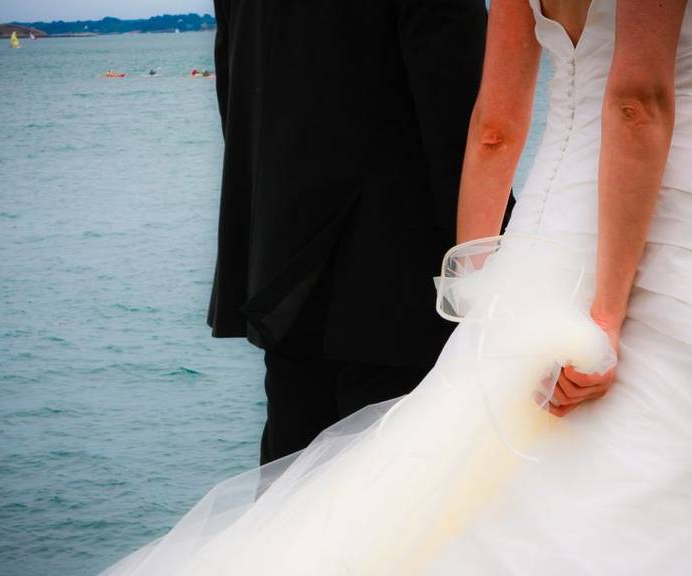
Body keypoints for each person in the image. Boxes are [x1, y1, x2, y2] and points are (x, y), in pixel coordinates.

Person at [40, 0, 692, 576]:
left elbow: (492, 128)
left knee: (345, 508)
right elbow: (631, 103)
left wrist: (477, 290)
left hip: (292, 270)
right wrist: (595, 312)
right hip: (451, 269)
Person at [207, 0, 499, 465]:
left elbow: (237, 99)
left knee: (292, 500)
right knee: (404, 500)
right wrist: (497, 268)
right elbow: (461, 121)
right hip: (402, 286)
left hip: (282, 278)